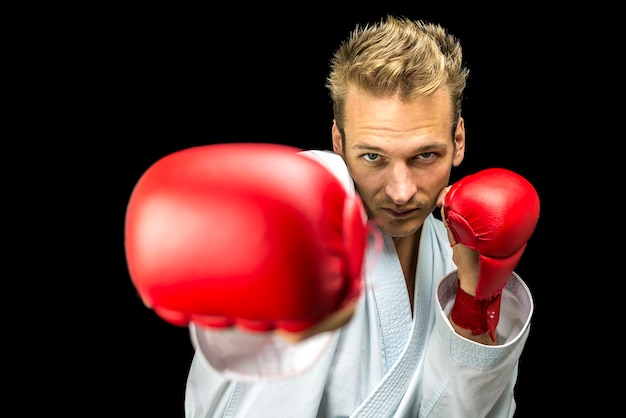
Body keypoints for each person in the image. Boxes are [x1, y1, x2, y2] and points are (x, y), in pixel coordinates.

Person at [125, 14, 540, 417]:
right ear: (338, 142)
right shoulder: (310, 214)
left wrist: (475, 297)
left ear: (459, 140)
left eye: (425, 156)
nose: (401, 190)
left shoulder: (456, 251)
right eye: (373, 157)